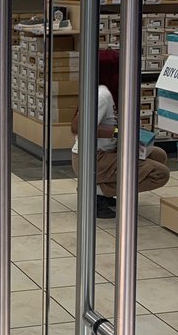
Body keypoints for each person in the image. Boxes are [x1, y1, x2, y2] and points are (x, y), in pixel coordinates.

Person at [70, 49, 169, 217]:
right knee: (159, 174)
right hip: (92, 158)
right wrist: (118, 132)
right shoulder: (102, 95)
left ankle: (103, 191)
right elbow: (79, 128)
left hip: (109, 152)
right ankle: (95, 190)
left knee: (158, 155)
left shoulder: (114, 91)